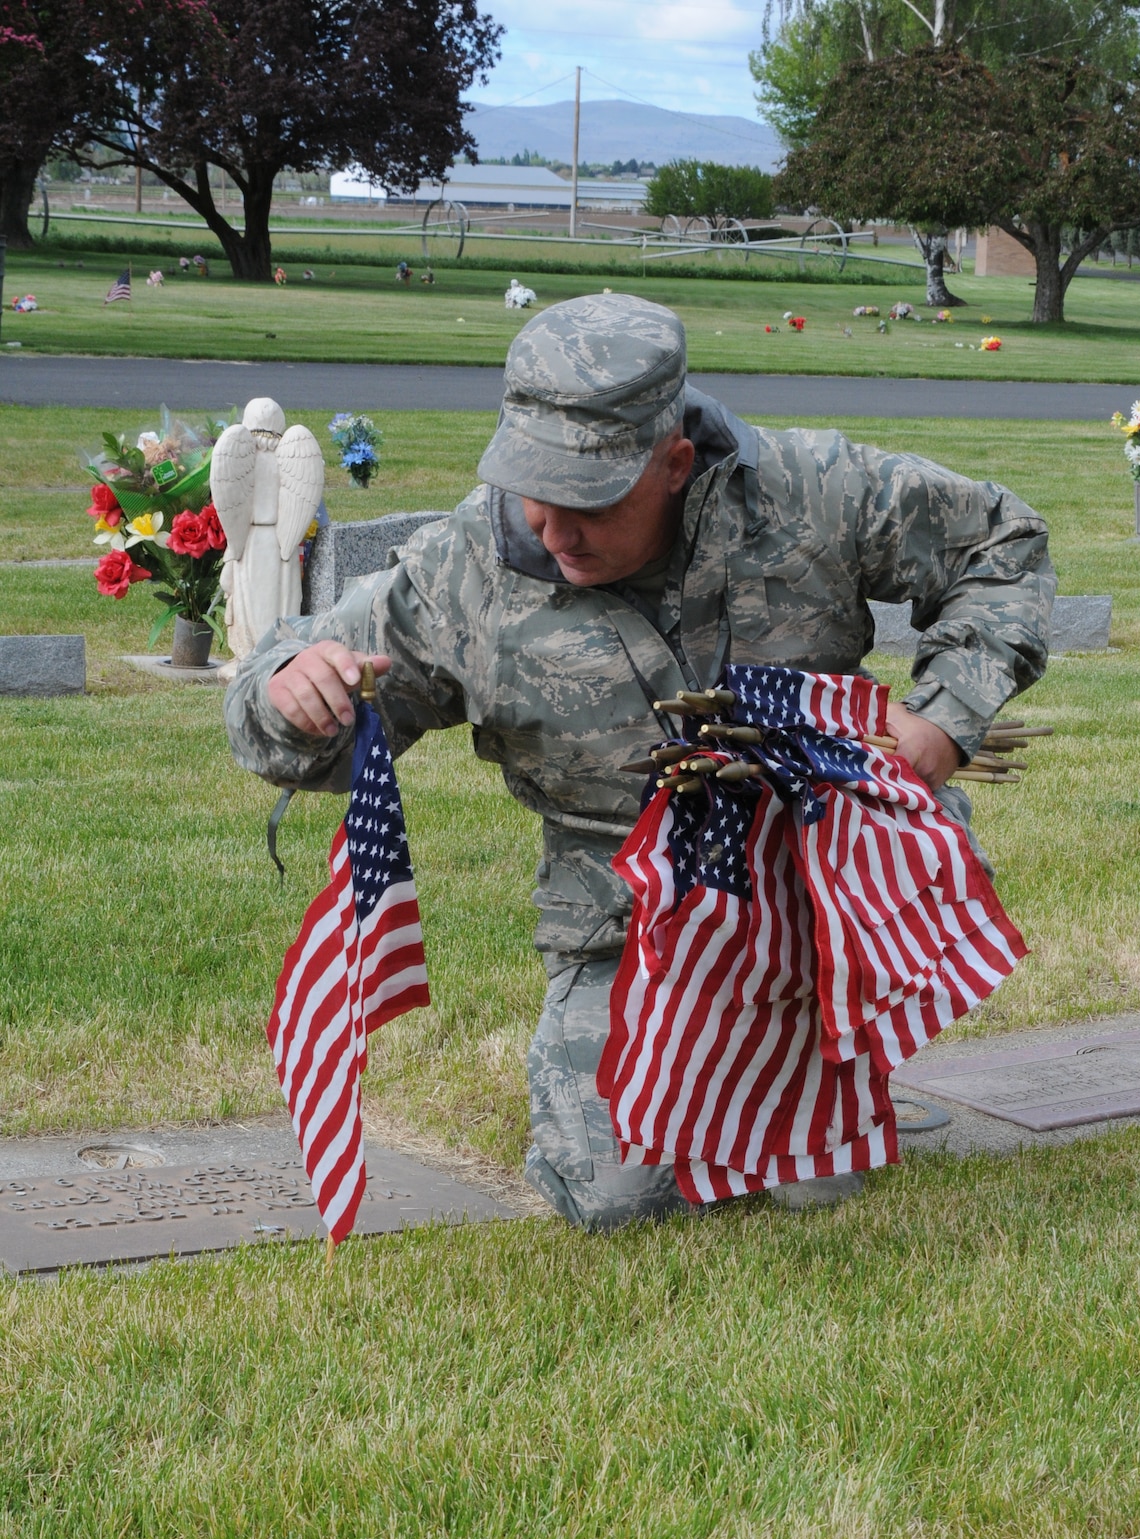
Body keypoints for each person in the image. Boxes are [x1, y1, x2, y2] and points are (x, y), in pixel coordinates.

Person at [225, 294, 1054, 1230]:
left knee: (805, 1186)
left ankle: (808, 1045)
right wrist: (293, 697)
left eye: (591, 497)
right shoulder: (465, 569)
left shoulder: (811, 489)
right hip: (623, 918)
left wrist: (942, 717)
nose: (552, 525)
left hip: (803, 896)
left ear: (673, 463)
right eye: (534, 484)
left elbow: (1003, 541)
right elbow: (285, 713)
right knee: (627, 1200)